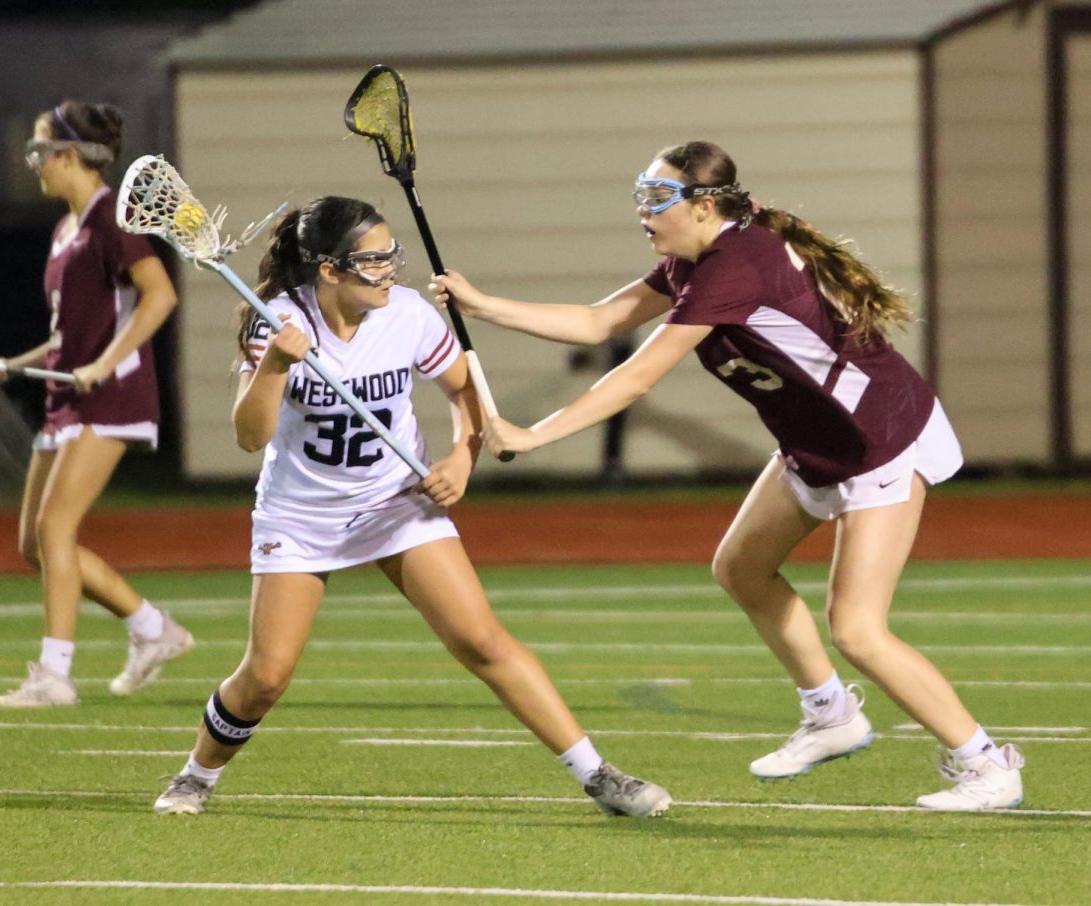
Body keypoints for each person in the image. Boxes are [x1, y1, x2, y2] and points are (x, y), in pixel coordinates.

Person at [430, 141, 1025, 812]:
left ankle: (986, 763)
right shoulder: (698, 259)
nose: (643, 213)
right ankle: (831, 714)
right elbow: (598, 321)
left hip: (877, 438)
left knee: (858, 628)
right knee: (741, 568)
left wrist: (535, 434)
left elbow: (638, 375)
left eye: (657, 200)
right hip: (814, 440)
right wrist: (481, 306)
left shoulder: (733, 267)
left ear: (706, 205)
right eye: (641, 196)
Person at [152, 197, 671, 818]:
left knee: (482, 640)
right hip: (300, 516)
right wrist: (275, 365)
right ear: (330, 270)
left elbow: (463, 394)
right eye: (373, 260)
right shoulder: (279, 322)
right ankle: (195, 775)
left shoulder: (409, 315)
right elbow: (249, 436)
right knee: (266, 676)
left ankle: (600, 777)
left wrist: (460, 461)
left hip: (396, 502)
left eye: (391, 254)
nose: (390, 269)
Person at [0, 100, 192, 707]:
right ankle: (153, 628)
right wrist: (10, 367)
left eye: (39, 151)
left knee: (54, 528)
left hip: (112, 396)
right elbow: (72, 334)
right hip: (66, 398)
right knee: (35, 546)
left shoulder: (110, 219)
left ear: (69, 156)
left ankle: (55, 675)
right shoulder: (66, 227)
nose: (32, 163)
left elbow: (160, 296)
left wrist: (102, 363)